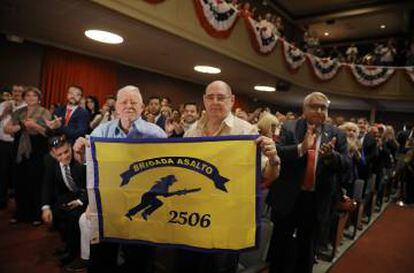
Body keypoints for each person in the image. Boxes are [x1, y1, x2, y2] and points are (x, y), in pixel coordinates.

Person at [176, 80, 281, 273]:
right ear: (204, 101)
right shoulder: (191, 133)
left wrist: (274, 158)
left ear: (232, 100)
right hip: (193, 219)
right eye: (210, 97)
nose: (215, 101)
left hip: (227, 222)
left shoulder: (246, 131)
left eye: (221, 97)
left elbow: (269, 174)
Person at [73, 85, 167, 273]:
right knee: (102, 260)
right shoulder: (100, 131)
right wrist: (80, 153)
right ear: (116, 107)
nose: (129, 106)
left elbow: (163, 172)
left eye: (134, 102)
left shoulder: (156, 134)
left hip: (140, 209)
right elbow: (89, 167)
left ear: (142, 107)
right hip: (107, 207)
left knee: (139, 261)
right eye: (124, 102)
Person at [267, 91, 348, 273]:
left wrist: (331, 156)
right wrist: (300, 148)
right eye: (314, 106)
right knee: (280, 246)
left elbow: (347, 166)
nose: (319, 110)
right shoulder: (289, 128)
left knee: (307, 249)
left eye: (323, 107)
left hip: (316, 200)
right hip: (288, 197)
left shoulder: (337, 134)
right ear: (304, 109)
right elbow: (277, 152)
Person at [4, 87, 52, 225]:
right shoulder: (19, 112)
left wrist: (35, 126)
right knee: (20, 182)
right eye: (28, 96)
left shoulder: (45, 112)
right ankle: (20, 213)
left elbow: (48, 133)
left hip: (37, 151)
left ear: (39, 98)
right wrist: (20, 126)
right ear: (25, 98)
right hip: (19, 151)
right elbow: (6, 129)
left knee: (35, 183)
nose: (31, 98)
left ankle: (36, 215)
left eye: (34, 96)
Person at [41, 134, 88, 271]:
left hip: (86, 197)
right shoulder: (51, 163)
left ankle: (75, 253)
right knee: (57, 211)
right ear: (53, 155)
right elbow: (47, 185)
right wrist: (45, 207)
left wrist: (80, 201)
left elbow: (91, 187)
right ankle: (68, 247)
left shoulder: (80, 162)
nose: (64, 157)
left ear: (70, 147)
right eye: (59, 155)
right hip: (69, 195)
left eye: (67, 151)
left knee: (73, 218)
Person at [0, 85, 26, 209]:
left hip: (18, 144)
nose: (17, 93)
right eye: (15, 91)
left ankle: (17, 202)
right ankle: (2, 200)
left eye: (20, 91)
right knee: (2, 172)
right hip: (3, 143)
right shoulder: (4, 105)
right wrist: (4, 113)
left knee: (16, 173)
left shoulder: (26, 107)